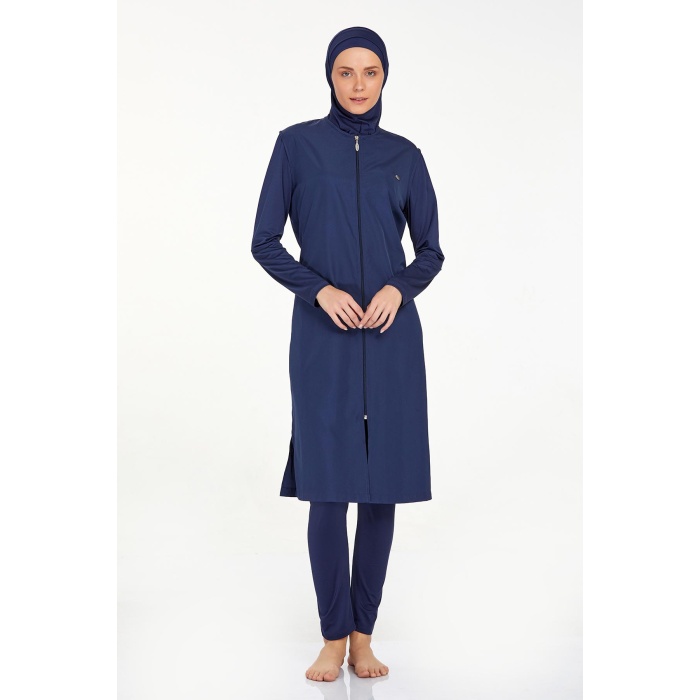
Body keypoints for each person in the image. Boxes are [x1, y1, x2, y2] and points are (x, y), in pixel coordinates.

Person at [251, 26, 445, 682]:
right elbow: (264, 240)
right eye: (345, 72)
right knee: (329, 491)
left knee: (381, 490)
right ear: (329, 76)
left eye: (370, 72)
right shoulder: (296, 146)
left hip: (391, 341)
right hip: (323, 339)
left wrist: (398, 288)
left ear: (385, 77)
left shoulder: (405, 155)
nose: (358, 84)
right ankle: (333, 636)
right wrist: (319, 290)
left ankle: (365, 635)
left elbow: (431, 250)